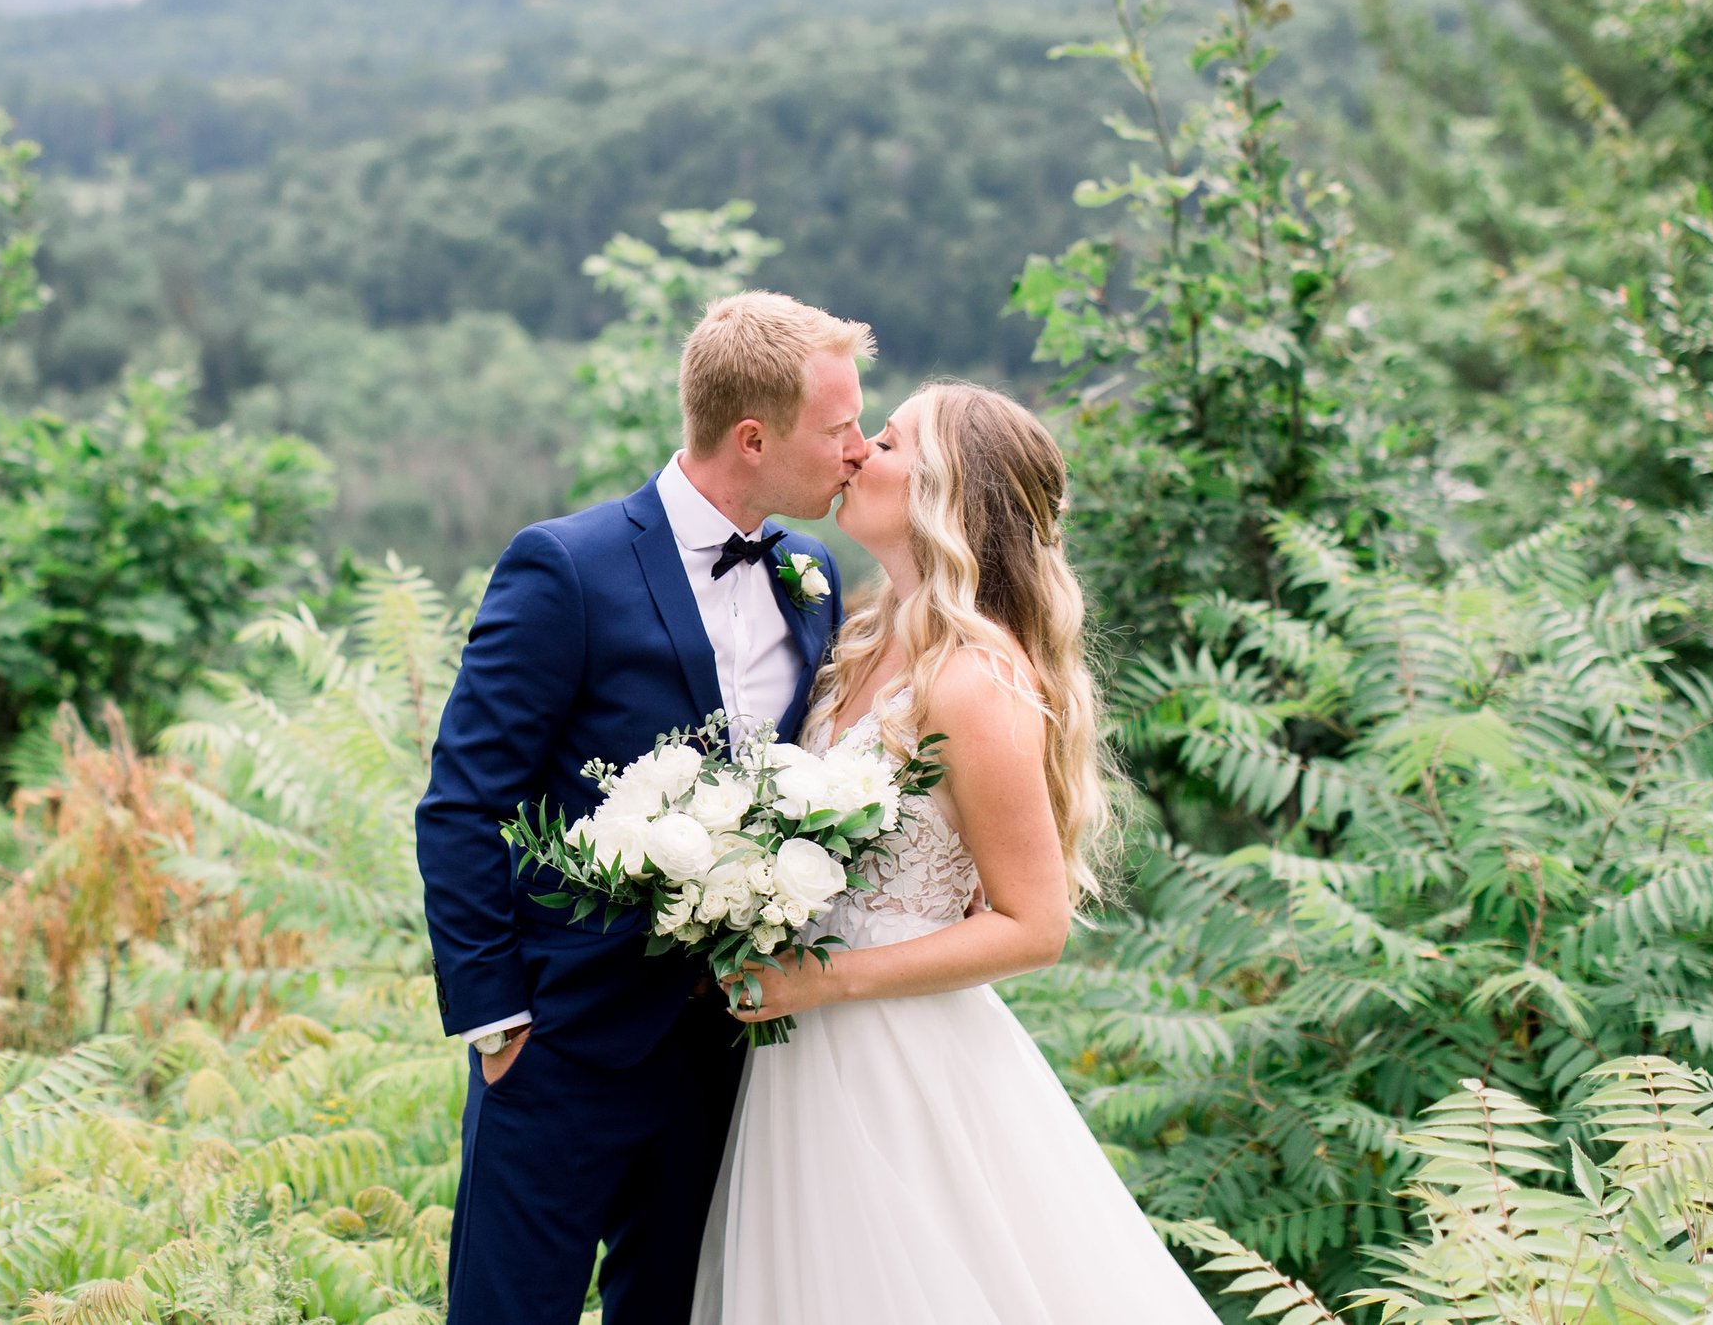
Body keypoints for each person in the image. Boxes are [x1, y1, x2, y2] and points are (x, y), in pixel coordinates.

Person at [692, 380, 1222, 1324]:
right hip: (800, 1050)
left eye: (886, 442)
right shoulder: (864, 637)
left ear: (945, 494)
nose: (857, 452)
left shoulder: (976, 678)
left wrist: (829, 981)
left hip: (897, 1055)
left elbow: (1035, 924)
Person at [416, 291, 872, 1325]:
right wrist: (499, 1022)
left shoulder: (811, 575)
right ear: (753, 437)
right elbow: (461, 801)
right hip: (560, 1040)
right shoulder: (564, 566)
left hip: (721, 1048)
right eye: (839, 426)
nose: (857, 447)